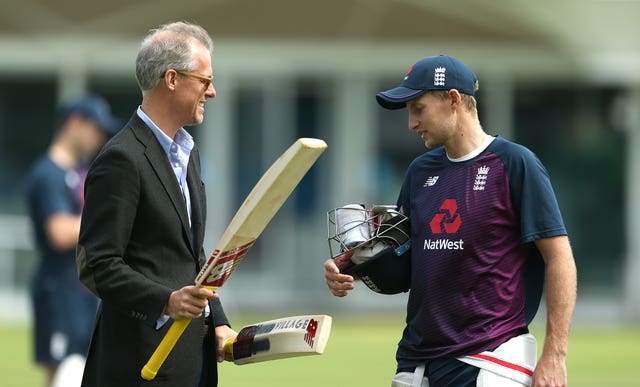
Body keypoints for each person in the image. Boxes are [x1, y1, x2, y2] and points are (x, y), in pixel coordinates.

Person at [324, 55, 577, 387]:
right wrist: (353, 266)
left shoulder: (515, 163)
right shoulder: (419, 172)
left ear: (453, 100)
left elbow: (559, 258)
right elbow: (409, 259)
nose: (411, 123)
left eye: (418, 108)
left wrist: (555, 355)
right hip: (415, 361)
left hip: (491, 359)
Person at [76, 21, 236, 387]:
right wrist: (165, 300)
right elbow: (97, 265)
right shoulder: (121, 158)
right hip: (137, 365)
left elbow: (191, 258)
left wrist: (218, 319)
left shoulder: (188, 154)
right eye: (206, 81)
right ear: (172, 79)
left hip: (191, 362)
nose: (212, 92)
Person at [26, 93, 120, 386]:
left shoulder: (80, 172)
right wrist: (107, 221)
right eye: (94, 127)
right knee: (61, 374)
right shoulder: (48, 174)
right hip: (59, 290)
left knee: (81, 371)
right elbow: (59, 231)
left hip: (82, 290)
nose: (99, 136)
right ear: (74, 122)